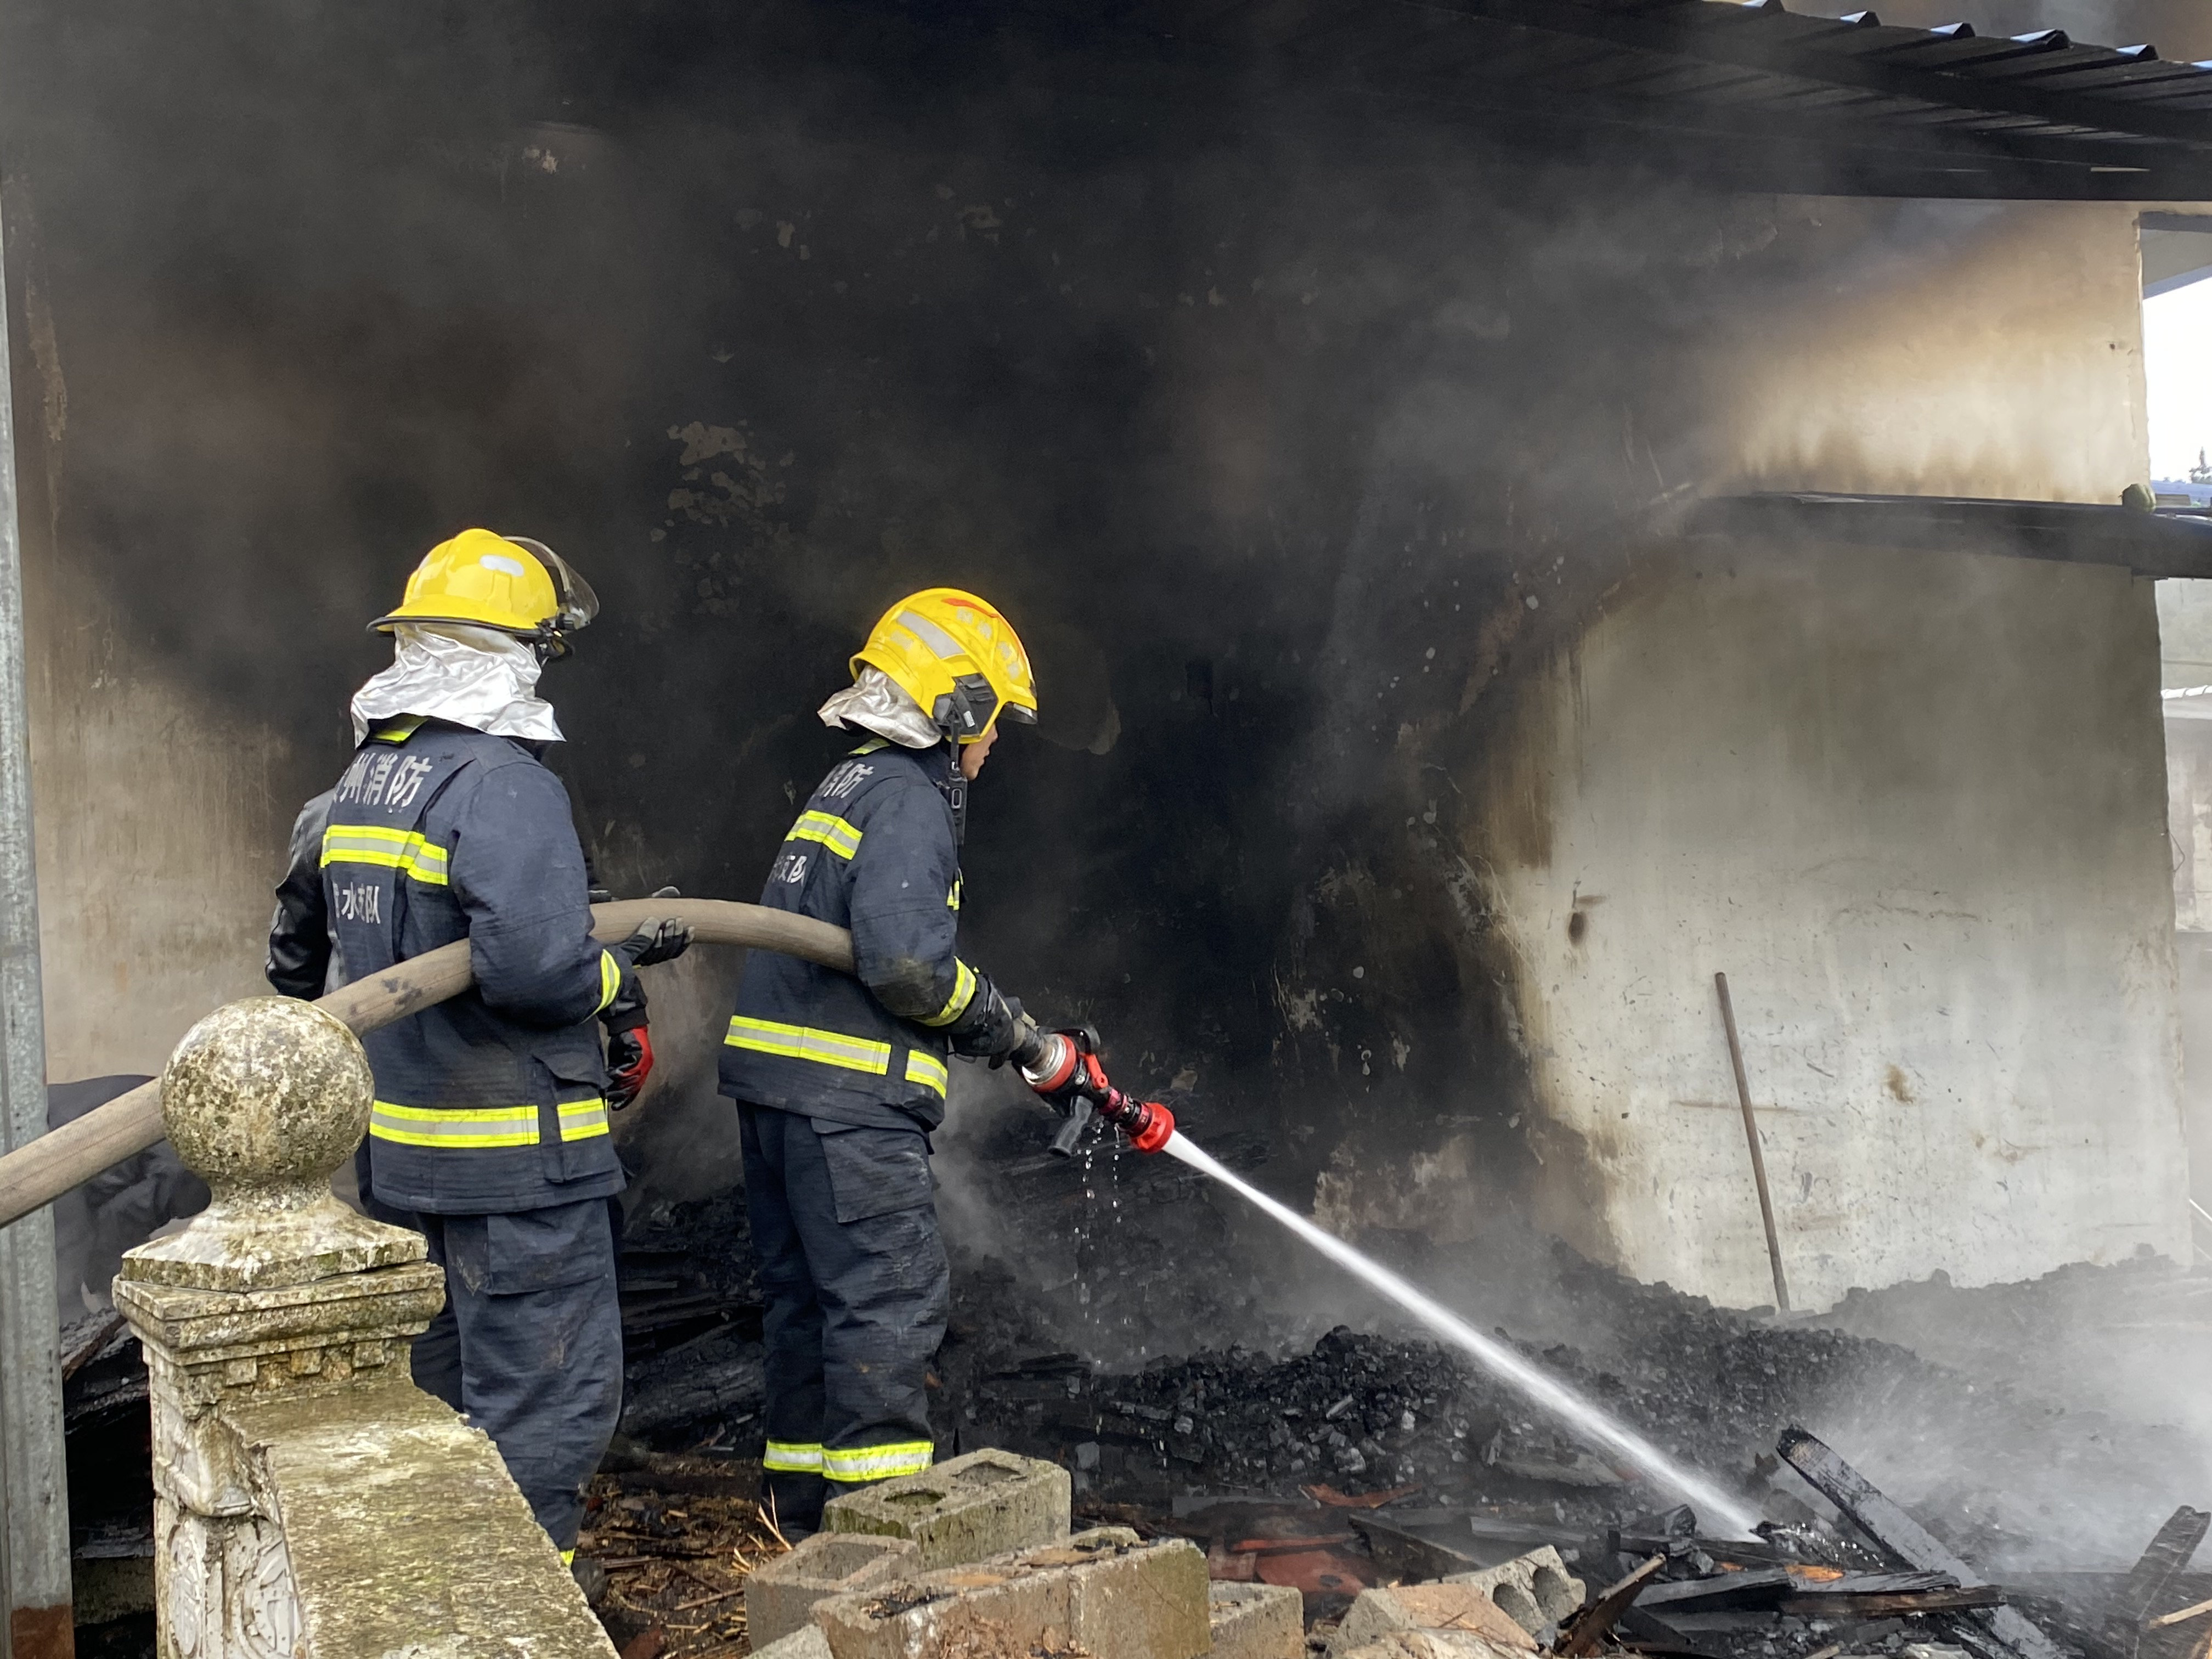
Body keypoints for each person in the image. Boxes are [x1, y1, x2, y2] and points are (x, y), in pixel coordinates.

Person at [266, 527, 691, 1561]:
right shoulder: (503, 783)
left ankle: (441, 1607)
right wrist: (614, 974)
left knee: (443, 1414)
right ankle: (526, 1619)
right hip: (515, 1172)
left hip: (406, 1167)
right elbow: (536, 972)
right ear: (511, 654)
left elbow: (290, 962)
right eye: (541, 647)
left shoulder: (359, 786)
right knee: (542, 1418)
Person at [720, 587, 1069, 1535]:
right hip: (847, 1110)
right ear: (957, 709)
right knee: (885, 1313)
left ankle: (797, 1530)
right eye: (995, 723)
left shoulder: (848, 783)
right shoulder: (910, 799)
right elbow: (910, 967)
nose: (995, 746)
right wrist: (1000, 1025)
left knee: (805, 1316)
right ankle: (878, 1554)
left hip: (778, 1100)